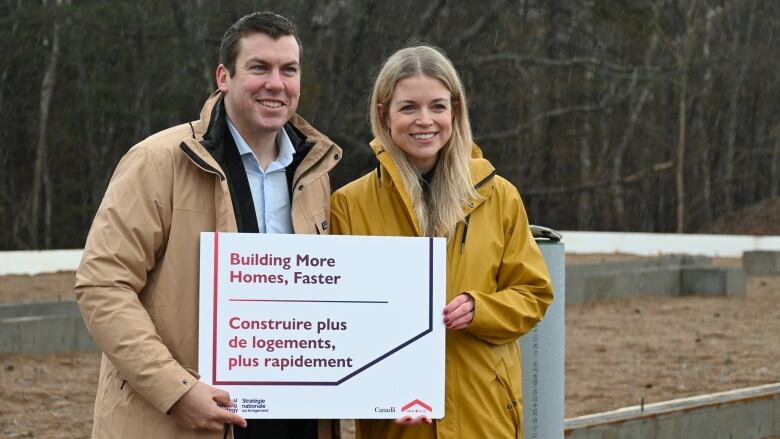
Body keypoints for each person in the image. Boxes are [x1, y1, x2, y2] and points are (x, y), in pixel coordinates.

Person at [74, 12, 341, 439]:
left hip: (294, 422)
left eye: (288, 70)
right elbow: (102, 285)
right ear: (224, 76)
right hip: (180, 420)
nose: (276, 83)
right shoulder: (158, 160)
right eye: (259, 68)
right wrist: (176, 391)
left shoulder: (315, 172)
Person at [329, 45, 553, 438]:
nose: (425, 121)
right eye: (408, 108)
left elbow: (533, 294)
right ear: (384, 114)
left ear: (455, 111)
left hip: (484, 414)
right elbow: (342, 322)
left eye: (437, 106)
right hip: (397, 425)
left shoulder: (499, 196)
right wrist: (383, 392)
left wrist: (480, 309)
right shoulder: (349, 204)